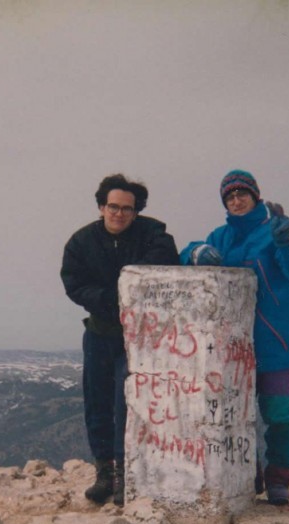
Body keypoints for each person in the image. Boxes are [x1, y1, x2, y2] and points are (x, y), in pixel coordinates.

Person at [180, 169, 289, 506]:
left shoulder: (276, 232)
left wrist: (288, 244)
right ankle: (247, 474)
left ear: (256, 196)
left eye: (243, 193)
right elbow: (186, 251)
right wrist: (196, 252)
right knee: (235, 416)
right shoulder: (221, 235)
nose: (237, 200)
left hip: (274, 344)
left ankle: (279, 478)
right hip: (231, 348)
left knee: (280, 414)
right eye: (230, 196)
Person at [61, 174, 179, 506]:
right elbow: (74, 282)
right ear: (101, 206)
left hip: (140, 337)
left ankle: (129, 476)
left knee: (129, 406)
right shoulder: (81, 241)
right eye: (113, 206)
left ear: (136, 211)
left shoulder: (153, 234)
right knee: (97, 403)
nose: (119, 214)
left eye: (127, 209)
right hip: (100, 331)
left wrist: (127, 286)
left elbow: (164, 259)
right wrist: (109, 299)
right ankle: (105, 474)